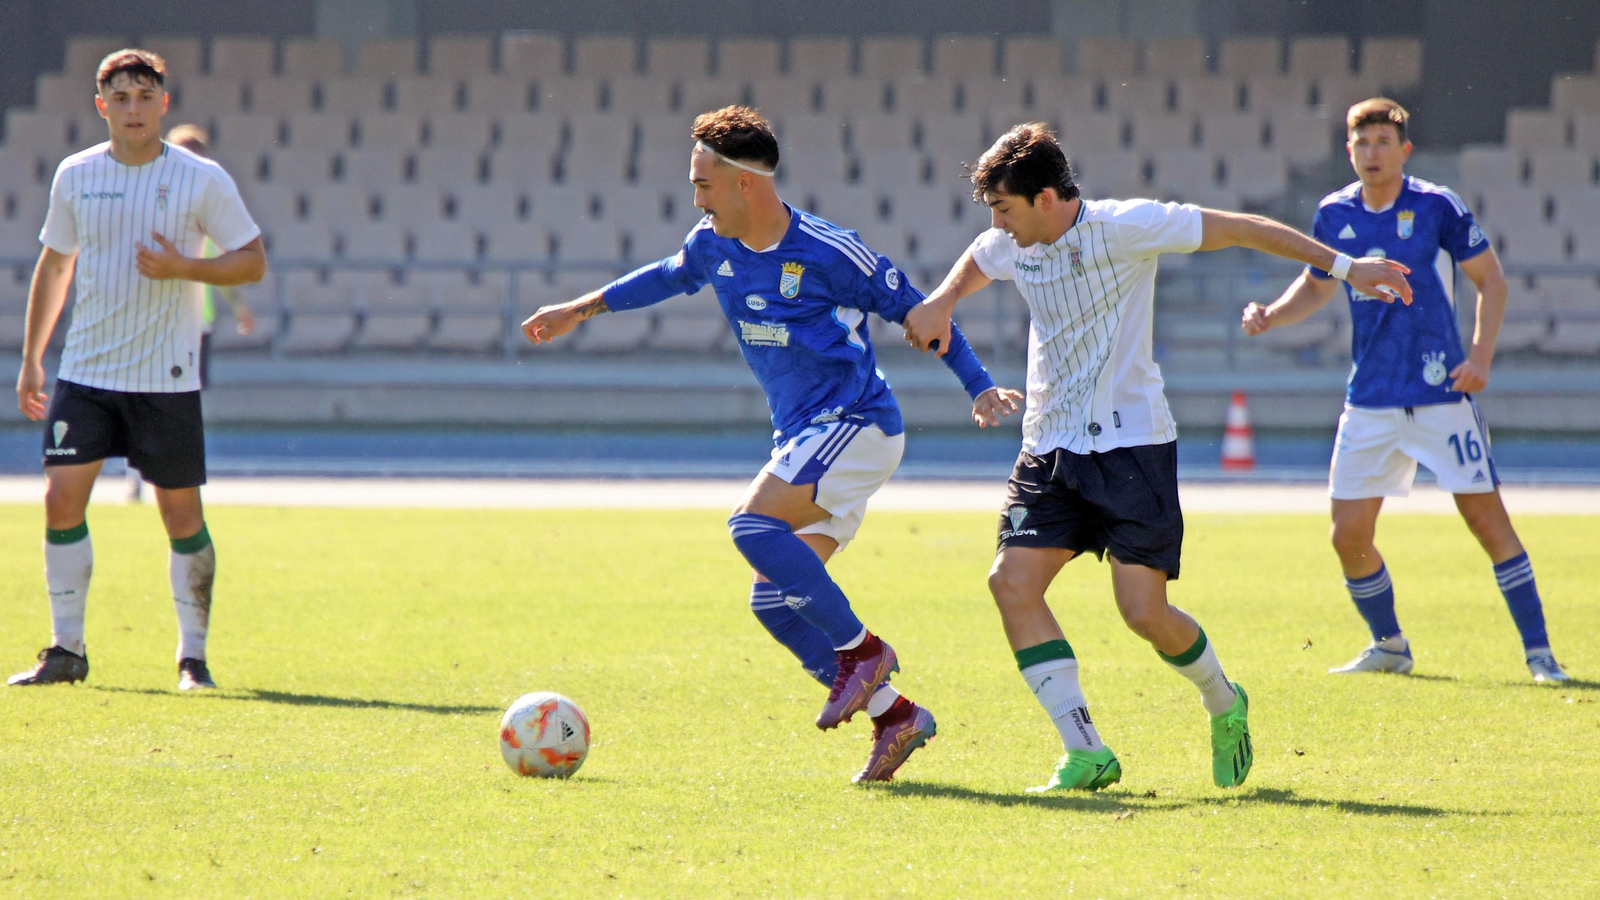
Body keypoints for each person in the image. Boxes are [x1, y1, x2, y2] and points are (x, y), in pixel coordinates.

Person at [902, 123, 1413, 791]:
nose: (997, 224)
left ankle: (1224, 699)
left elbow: (1240, 227)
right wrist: (942, 300)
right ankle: (1084, 750)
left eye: (1005, 208)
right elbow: (978, 258)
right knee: (1011, 584)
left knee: (1143, 612)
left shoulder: (1126, 227)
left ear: (1048, 197)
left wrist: (1348, 269)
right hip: (1049, 446)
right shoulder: (1009, 240)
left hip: (1132, 446)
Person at [522, 106, 1021, 782]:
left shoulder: (828, 250)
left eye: (703, 184)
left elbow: (922, 313)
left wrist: (979, 386)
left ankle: (862, 649)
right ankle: (895, 717)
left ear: (744, 185)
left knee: (751, 525)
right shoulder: (711, 244)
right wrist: (577, 310)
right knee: (774, 601)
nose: (695, 198)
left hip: (858, 422)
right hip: (807, 437)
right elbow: (665, 276)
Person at [1241, 98, 1568, 683]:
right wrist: (1273, 315)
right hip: (1369, 398)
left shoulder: (1437, 206)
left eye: (1383, 143)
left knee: (1489, 525)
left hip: (1441, 393)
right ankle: (1389, 644)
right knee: (1348, 537)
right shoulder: (1333, 213)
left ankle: (1540, 656)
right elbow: (1317, 287)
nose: (1372, 153)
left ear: (1404, 150)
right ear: (1348, 150)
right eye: (1362, 143)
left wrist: (1480, 359)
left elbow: (1490, 280)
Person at [8, 49, 267, 691]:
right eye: (120, 98)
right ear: (101, 105)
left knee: (180, 516)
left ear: (163, 104)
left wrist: (187, 268)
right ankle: (66, 649)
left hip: (166, 377)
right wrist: (32, 357)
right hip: (87, 372)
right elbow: (56, 265)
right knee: (60, 498)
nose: (133, 109)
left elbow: (252, 260)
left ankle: (193, 658)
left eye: (144, 97)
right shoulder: (75, 175)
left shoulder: (200, 179)